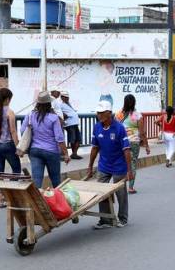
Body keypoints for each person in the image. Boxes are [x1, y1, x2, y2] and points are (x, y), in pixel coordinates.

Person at [87, 100, 133, 229]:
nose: (99, 115)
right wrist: (90, 166)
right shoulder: (97, 127)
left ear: (109, 113)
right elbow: (95, 148)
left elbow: (126, 150)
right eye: (98, 113)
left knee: (120, 192)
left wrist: (129, 170)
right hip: (104, 165)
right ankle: (106, 219)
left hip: (119, 165)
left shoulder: (119, 128)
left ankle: (123, 218)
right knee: (101, 191)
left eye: (101, 113)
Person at [20, 91, 69, 188]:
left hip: (35, 151)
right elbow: (59, 138)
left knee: (37, 180)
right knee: (55, 180)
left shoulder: (30, 115)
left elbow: (22, 131)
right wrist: (66, 154)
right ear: (49, 104)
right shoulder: (54, 118)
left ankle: (37, 202)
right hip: (51, 152)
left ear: (38, 103)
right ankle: (57, 201)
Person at [0, 88, 21, 208]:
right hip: (8, 145)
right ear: (7, 99)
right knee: (16, 170)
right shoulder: (9, 112)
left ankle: (0, 200)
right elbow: (13, 131)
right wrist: (18, 147)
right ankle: (9, 195)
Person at [115, 94, 150, 194]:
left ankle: (119, 183)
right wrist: (146, 145)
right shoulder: (137, 115)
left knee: (121, 162)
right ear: (134, 102)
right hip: (134, 141)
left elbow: (115, 128)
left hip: (121, 141)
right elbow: (142, 132)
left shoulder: (118, 114)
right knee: (133, 162)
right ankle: (130, 187)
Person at [60, 91, 82, 160]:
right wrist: (64, 116)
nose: (67, 98)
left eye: (67, 97)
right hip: (69, 124)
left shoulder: (68, 104)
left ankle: (74, 153)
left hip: (74, 123)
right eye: (65, 97)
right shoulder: (61, 105)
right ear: (62, 97)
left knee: (78, 138)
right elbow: (59, 113)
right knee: (73, 138)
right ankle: (73, 153)